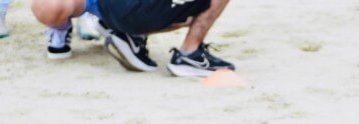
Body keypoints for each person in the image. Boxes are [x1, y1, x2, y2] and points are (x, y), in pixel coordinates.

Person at [31, 0, 234, 76]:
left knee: (49, 5)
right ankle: (190, 52)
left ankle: (123, 32)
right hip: (138, 13)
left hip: (107, 7)